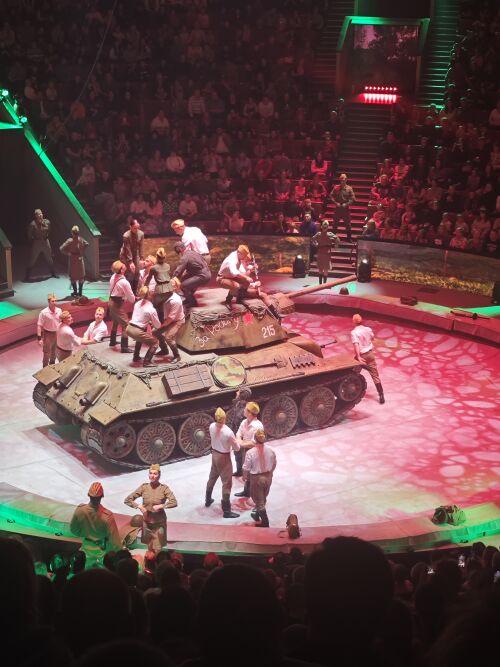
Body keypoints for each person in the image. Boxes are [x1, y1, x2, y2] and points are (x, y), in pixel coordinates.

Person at [124, 463, 177, 554]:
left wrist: (161, 506)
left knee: (157, 548)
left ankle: (156, 561)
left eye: (155, 474)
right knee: (149, 547)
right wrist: (139, 506)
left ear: (159, 475)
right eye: (150, 473)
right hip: (147, 523)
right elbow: (128, 500)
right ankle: (150, 561)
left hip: (159, 524)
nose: (152, 476)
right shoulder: (144, 487)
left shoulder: (164, 489)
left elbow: (174, 502)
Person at [69, 481, 122, 568]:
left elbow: (73, 530)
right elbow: (115, 541)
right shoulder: (107, 516)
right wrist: (121, 554)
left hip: (85, 549)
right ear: (102, 496)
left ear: (88, 495)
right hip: (102, 553)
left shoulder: (80, 510)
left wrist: (86, 534)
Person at [205, 407, 241, 519]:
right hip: (224, 457)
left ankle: (208, 499)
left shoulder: (211, 426)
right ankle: (226, 510)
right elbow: (237, 448)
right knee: (227, 483)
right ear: (224, 418)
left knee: (212, 477)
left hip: (214, 454)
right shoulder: (228, 432)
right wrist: (237, 442)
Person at [242, 428, 276, 527]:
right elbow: (274, 463)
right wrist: (271, 473)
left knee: (258, 500)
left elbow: (246, 467)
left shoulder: (250, 453)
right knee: (263, 497)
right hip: (268, 477)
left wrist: (245, 477)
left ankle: (265, 522)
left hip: (257, 478)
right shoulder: (270, 450)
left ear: (255, 439)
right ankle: (257, 515)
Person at [351, 313, 385, 404]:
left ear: (353, 322)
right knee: (375, 376)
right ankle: (381, 395)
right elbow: (372, 338)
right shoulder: (368, 329)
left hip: (362, 355)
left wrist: (358, 356)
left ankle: (352, 389)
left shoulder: (354, 332)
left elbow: (356, 345)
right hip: (370, 354)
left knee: (353, 371)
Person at [125, 286, 163, 367]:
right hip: (137, 331)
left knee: (140, 337)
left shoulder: (137, 303)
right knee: (155, 342)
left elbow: (140, 317)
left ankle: (136, 357)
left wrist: (148, 321)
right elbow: (158, 325)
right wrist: (153, 322)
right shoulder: (151, 309)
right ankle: (147, 362)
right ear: (150, 295)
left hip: (129, 328)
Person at [234, 401, 264, 498]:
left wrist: (241, 443)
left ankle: (257, 495)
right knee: (247, 472)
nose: (244, 410)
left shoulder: (258, 426)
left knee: (254, 473)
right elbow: (238, 433)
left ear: (250, 413)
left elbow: (254, 443)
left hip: (254, 452)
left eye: (246, 409)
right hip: (246, 450)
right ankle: (247, 491)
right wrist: (239, 440)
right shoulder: (244, 422)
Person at [172, 241, 211, 309]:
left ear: (179, 249)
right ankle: (188, 298)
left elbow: (178, 271)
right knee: (184, 279)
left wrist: (172, 279)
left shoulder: (185, 257)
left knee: (184, 286)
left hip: (202, 275)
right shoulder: (192, 252)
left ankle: (193, 304)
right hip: (205, 272)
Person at [153, 278, 184, 362]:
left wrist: (162, 326)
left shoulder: (175, 300)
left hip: (177, 321)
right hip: (168, 319)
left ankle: (177, 356)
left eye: (172, 285)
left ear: (175, 287)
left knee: (168, 337)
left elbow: (171, 318)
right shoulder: (165, 295)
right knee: (155, 332)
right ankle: (164, 350)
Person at [108, 260, 135, 353]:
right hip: (117, 303)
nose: (124, 265)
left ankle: (112, 341)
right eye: (123, 265)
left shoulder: (113, 277)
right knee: (126, 325)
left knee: (115, 321)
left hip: (111, 301)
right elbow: (131, 298)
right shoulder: (124, 282)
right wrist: (134, 299)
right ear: (122, 269)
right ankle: (124, 347)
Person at [25, 208, 59, 281]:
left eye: (41, 214)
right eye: (38, 214)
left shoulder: (47, 222)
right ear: (36, 216)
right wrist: (34, 240)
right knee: (32, 259)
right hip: (37, 242)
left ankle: (53, 273)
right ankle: (27, 276)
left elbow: (49, 230)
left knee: (49, 258)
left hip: (46, 241)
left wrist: (46, 237)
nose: (40, 215)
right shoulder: (33, 224)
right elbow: (29, 235)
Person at [59, 225, 89, 297]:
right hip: (80, 258)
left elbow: (61, 248)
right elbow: (87, 244)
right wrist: (82, 251)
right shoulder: (81, 239)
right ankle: (80, 293)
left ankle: (75, 292)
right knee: (81, 277)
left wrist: (68, 253)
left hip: (73, 259)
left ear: (72, 233)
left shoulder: (70, 241)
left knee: (73, 277)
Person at [144, 247, 172, 321]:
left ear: (156, 257)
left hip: (160, 290)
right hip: (169, 289)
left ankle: (153, 321)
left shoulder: (154, 268)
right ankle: (161, 321)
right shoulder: (168, 266)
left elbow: (148, 279)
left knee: (153, 305)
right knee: (160, 305)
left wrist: (144, 286)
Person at [36, 293, 62, 366]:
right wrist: (39, 339)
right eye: (52, 301)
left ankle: (52, 366)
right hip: (48, 334)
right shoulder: (44, 312)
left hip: (56, 333)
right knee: (46, 353)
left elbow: (61, 322)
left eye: (55, 301)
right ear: (48, 301)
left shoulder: (59, 310)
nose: (54, 302)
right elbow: (39, 325)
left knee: (55, 352)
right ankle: (45, 368)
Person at [120, 218, 145, 292]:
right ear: (130, 227)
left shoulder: (141, 234)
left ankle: (135, 292)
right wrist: (130, 262)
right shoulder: (126, 236)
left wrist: (141, 258)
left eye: (138, 228)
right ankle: (129, 292)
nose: (136, 230)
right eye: (135, 228)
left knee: (137, 272)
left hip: (135, 253)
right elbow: (127, 249)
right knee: (130, 272)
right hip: (125, 255)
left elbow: (141, 247)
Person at [329, 173, 356, 242]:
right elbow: (331, 196)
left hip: (345, 209)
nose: (342, 181)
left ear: (346, 180)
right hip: (338, 208)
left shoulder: (349, 188)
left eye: (344, 179)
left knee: (348, 224)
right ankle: (333, 238)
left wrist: (346, 204)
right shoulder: (336, 187)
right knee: (335, 224)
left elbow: (353, 198)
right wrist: (336, 203)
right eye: (341, 179)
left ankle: (349, 238)